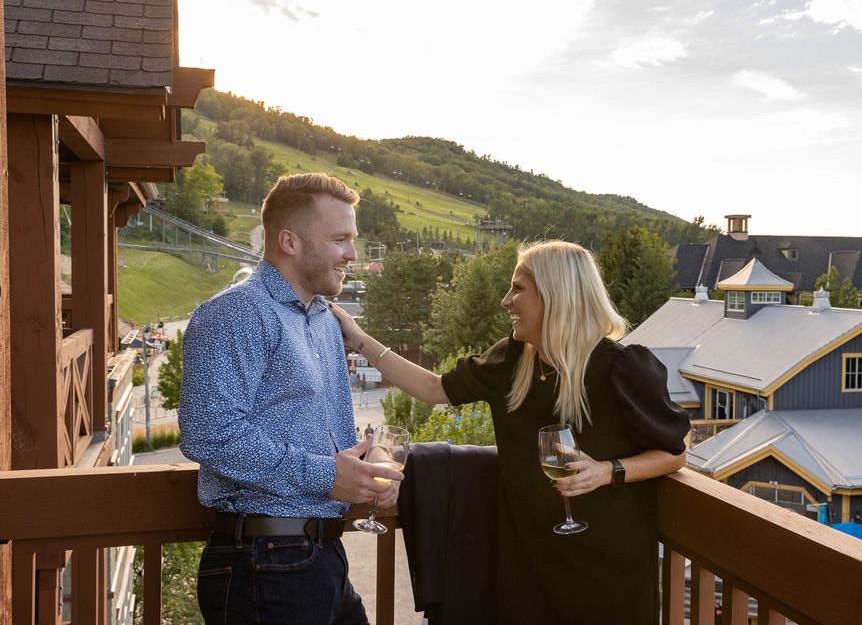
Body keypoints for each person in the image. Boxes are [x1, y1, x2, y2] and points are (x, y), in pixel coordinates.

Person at [330, 240, 690, 624]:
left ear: (555, 295)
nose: (506, 301)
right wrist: (359, 338)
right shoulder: (512, 360)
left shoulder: (623, 368)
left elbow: (674, 452)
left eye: (518, 288)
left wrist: (607, 471)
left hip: (606, 574)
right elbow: (434, 389)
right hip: (527, 562)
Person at [179, 173, 403, 625]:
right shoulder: (235, 312)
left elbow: (331, 435)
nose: (352, 254)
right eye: (340, 239)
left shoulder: (323, 317)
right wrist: (328, 476)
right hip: (264, 562)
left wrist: (370, 456)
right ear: (289, 241)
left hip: (320, 557)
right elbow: (210, 434)